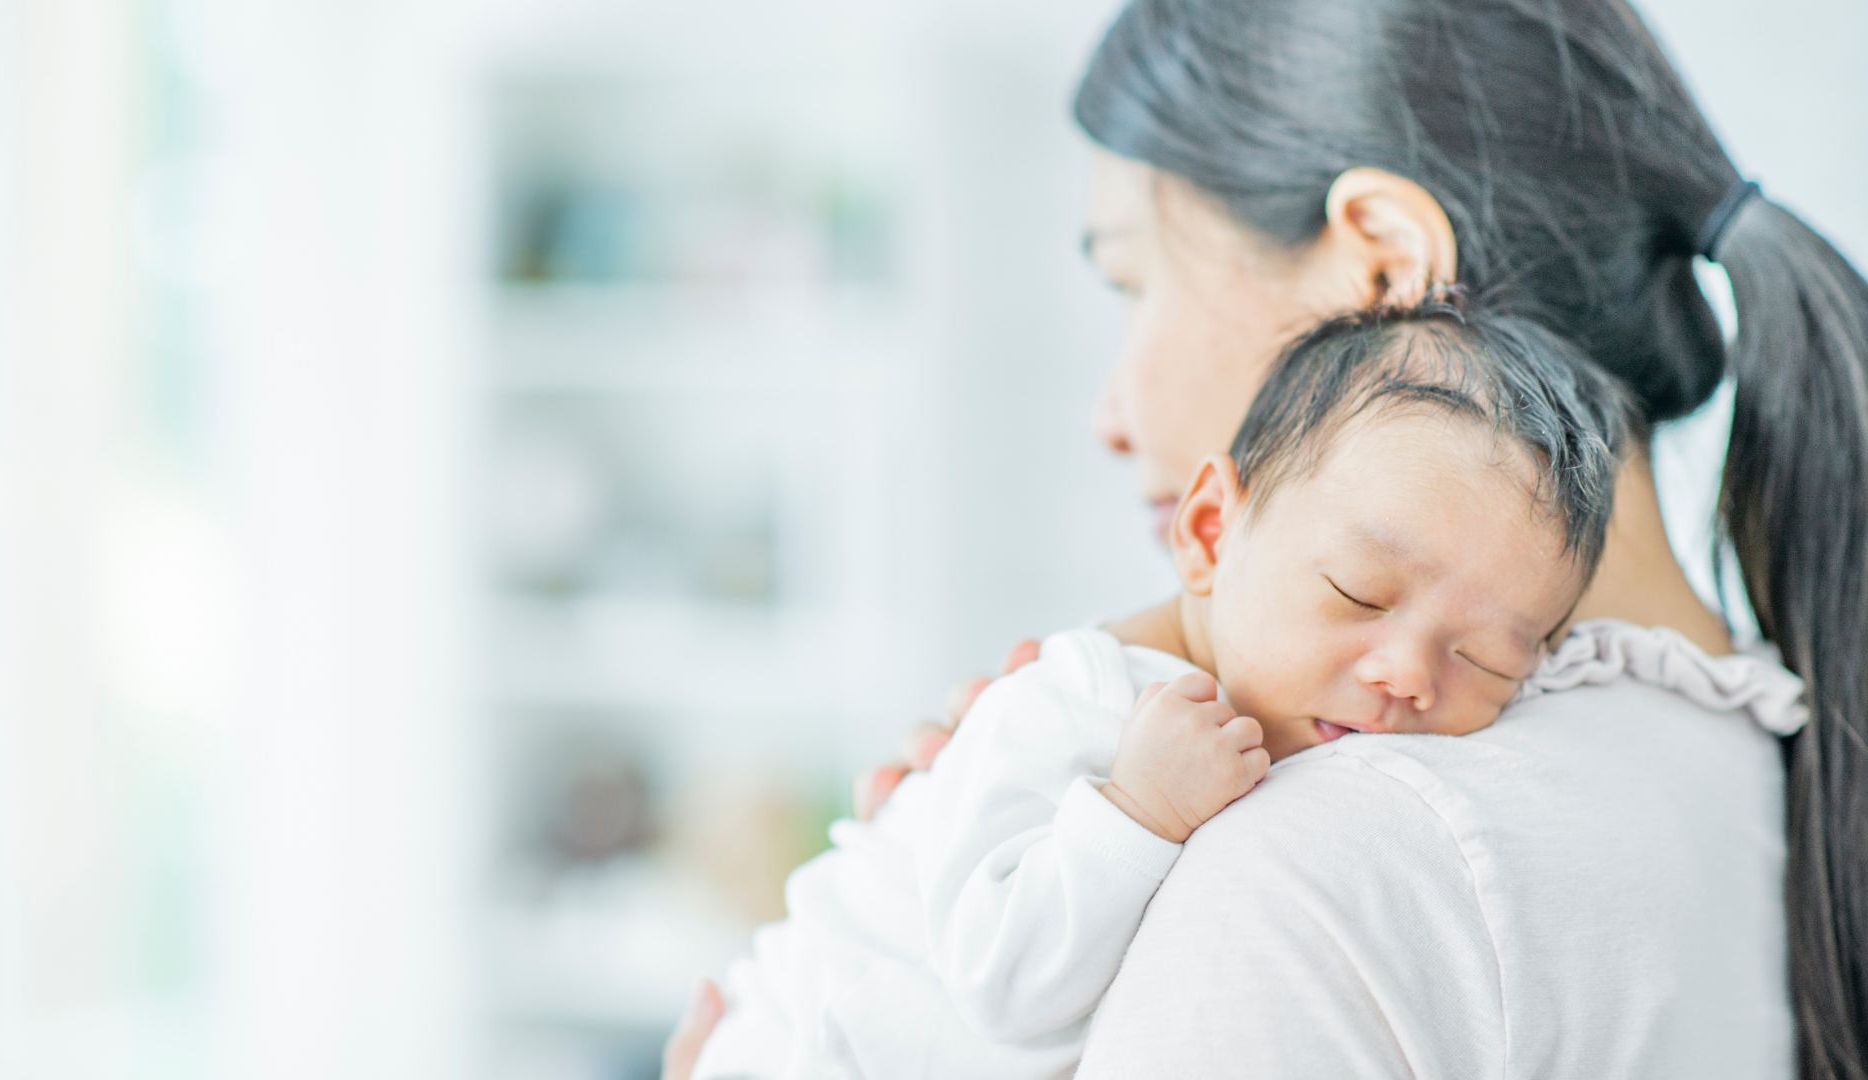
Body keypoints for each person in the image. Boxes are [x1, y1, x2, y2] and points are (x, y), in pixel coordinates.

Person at [659, 0, 1868, 1075]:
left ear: (1385, 272)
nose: (1110, 412)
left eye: (1134, 284)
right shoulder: (1763, 761)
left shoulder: (1307, 863)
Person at [691, 304, 1637, 1080]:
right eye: (1359, 593)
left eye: (1487, 660)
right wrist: (1136, 814)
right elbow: (1001, 984)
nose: (1410, 674)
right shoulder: (1073, 703)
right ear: (1212, 531)